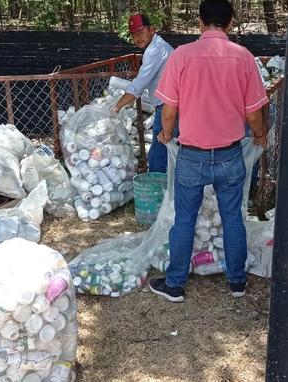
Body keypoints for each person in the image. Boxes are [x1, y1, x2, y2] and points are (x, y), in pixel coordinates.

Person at [147, 0, 269, 303]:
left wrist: (164, 134)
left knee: (184, 219)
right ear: (229, 23)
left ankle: (175, 285)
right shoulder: (243, 57)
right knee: (233, 218)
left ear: (200, 23)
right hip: (230, 155)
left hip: (191, 156)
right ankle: (237, 282)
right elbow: (254, 113)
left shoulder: (181, 56)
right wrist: (260, 135)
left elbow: (169, 110)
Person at [111, 13, 175, 173]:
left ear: (152, 29)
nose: (137, 38)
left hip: (168, 107)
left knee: (158, 155)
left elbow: (139, 85)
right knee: (164, 150)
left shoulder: (155, 50)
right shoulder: (160, 47)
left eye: (140, 33)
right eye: (134, 35)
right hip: (170, 105)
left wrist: (117, 107)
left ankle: (156, 192)